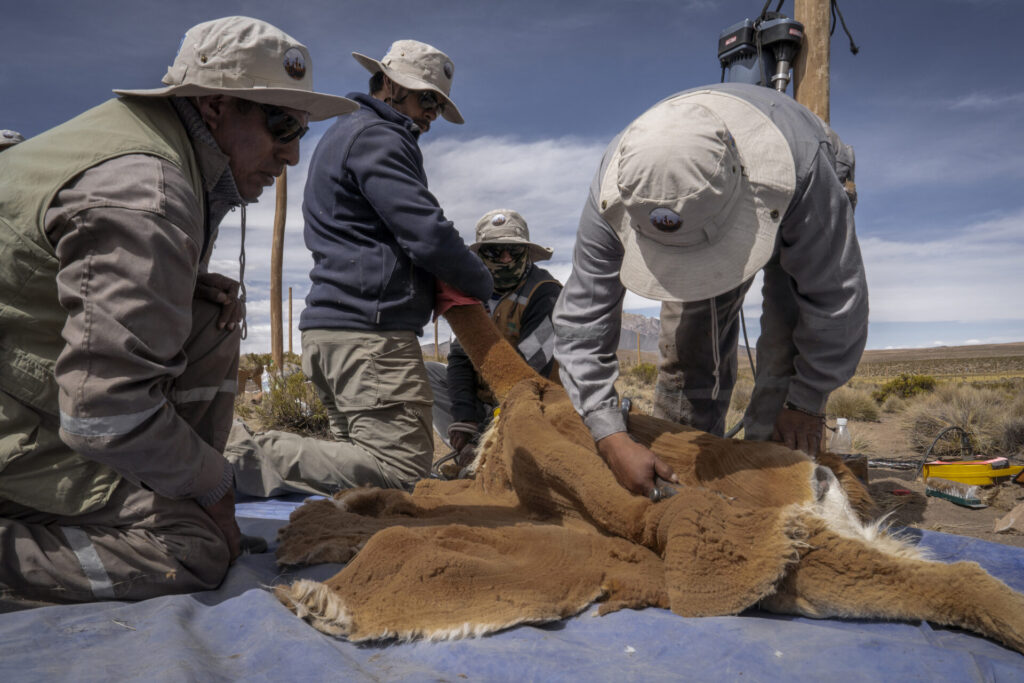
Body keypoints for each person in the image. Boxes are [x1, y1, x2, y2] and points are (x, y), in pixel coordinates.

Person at [0, 16, 355, 607]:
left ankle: (164, 491)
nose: (293, 153)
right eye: (282, 125)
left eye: (302, 131)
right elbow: (102, 412)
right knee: (191, 550)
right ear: (215, 106)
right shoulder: (148, 193)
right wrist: (214, 485)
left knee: (207, 313)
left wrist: (181, 284)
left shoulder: (151, 154)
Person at [552, 83, 868, 497]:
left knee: (788, 338)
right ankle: (683, 477)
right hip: (720, 194)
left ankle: (775, 479)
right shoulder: (614, 192)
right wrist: (608, 433)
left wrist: (805, 401)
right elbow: (582, 324)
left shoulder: (806, 169)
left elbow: (835, 299)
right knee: (689, 341)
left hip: (796, 184)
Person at [223, 40, 492, 497]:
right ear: (387, 82)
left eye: (438, 104)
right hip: (371, 337)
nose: (431, 113)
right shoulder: (379, 136)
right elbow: (427, 233)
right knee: (400, 473)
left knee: (363, 487)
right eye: (425, 97)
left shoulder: (347, 132)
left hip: (337, 334)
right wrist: (482, 282)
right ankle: (236, 455)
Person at [426, 209, 562, 471]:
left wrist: (487, 435)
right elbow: (460, 357)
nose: (506, 258)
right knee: (429, 373)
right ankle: (468, 454)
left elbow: (528, 378)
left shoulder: (546, 294)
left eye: (514, 250)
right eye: (495, 251)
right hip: (487, 405)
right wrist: (465, 417)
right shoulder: (474, 293)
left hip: (535, 405)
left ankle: (492, 459)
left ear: (526, 253)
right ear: (482, 256)